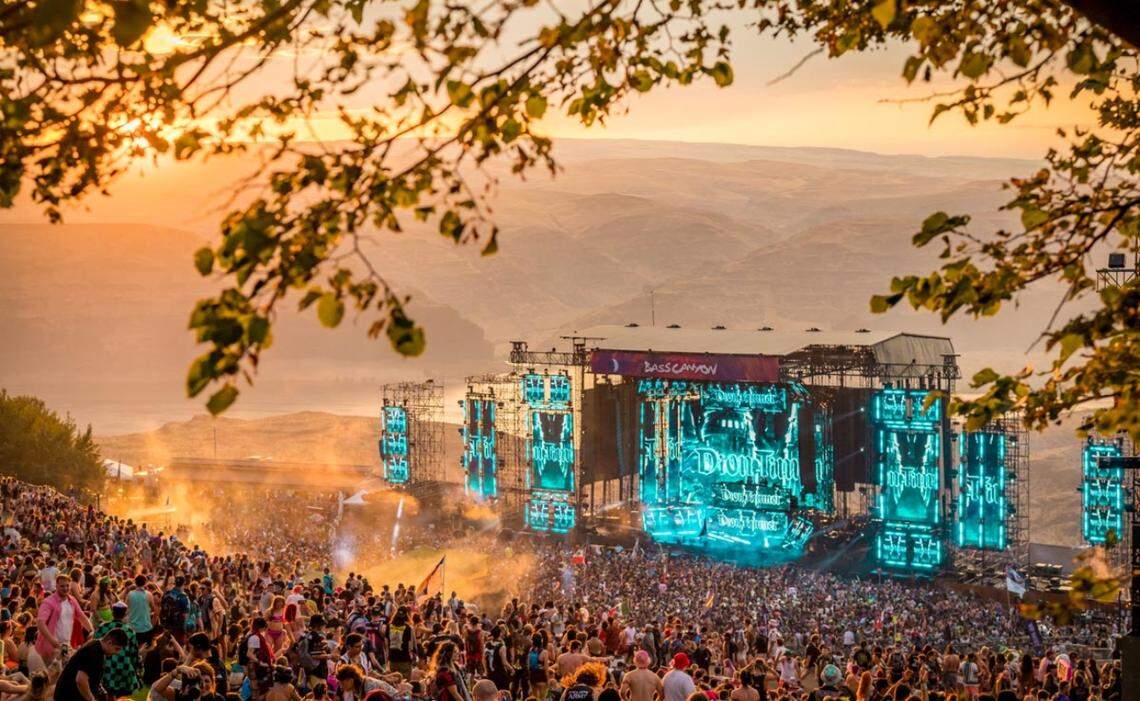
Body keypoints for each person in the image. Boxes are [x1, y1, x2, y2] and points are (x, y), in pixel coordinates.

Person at [53, 626, 127, 701]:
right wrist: (91, 699)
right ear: (109, 642)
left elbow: (92, 677)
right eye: (117, 649)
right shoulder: (94, 652)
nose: (117, 653)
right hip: (68, 696)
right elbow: (80, 680)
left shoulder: (97, 648)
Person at [35, 574, 93, 664]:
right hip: (51, 647)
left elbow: (81, 616)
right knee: (52, 675)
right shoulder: (48, 602)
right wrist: (52, 640)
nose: (65, 588)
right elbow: (40, 623)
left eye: (67, 585)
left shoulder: (72, 600)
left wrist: (91, 631)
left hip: (66, 645)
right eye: (62, 586)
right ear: (56, 586)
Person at [93, 601, 140, 699]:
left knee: (107, 694)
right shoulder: (130, 631)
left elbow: (95, 645)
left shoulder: (103, 627)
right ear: (125, 614)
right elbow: (134, 653)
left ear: (112, 612)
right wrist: (136, 668)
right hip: (123, 667)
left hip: (106, 666)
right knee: (119, 696)